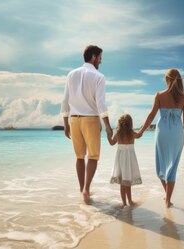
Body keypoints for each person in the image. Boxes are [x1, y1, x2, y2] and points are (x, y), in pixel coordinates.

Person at [61, 45, 113, 202]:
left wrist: (65, 123)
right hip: (90, 119)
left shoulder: (71, 74)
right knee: (93, 156)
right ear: (93, 57)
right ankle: (86, 190)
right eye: (100, 58)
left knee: (79, 157)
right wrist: (108, 127)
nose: (101, 61)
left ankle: (81, 189)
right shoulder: (98, 76)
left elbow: (65, 100)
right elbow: (101, 104)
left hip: (74, 119)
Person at [137, 68, 184, 208]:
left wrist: (141, 131)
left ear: (167, 80)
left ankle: (166, 195)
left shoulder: (159, 95)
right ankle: (168, 200)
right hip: (177, 134)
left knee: (161, 166)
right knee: (172, 167)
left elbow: (151, 116)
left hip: (162, 134)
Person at [107, 114, 142, 207]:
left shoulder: (118, 134)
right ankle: (130, 201)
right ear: (130, 124)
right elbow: (139, 135)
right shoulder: (132, 133)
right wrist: (143, 128)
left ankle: (124, 203)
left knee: (122, 182)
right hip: (130, 159)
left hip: (120, 159)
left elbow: (111, 143)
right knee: (127, 182)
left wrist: (108, 134)